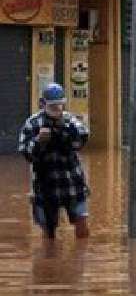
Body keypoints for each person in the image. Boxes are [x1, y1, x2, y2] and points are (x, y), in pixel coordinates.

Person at [18, 83, 90, 239]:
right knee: (48, 230)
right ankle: (49, 256)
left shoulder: (70, 120)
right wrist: (38, 141)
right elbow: (26, 153)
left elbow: (82, 139)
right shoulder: (33, 123)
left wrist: (66, 130)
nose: (56, 109)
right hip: (46, 186)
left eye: (59, 105)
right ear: (43, 104)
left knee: (82, 221)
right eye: (52, 106)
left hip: (72, 182)